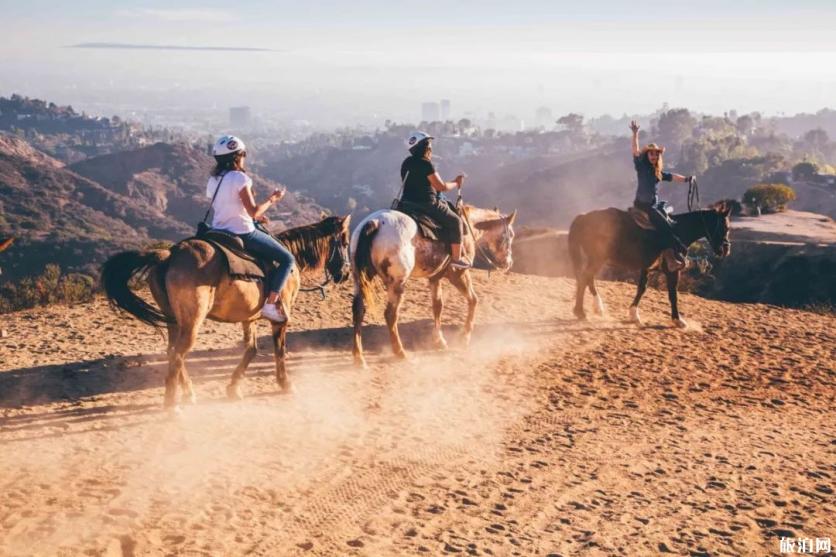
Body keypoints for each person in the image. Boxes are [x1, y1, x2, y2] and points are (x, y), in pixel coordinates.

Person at [207, 135, 295, 322]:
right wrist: (273, 199)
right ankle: (270, 305)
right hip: (242, 232)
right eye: (243, 154)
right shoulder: (240, 178)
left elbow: (227, 206)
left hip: (217, 231)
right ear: (238, 156)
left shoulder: (213, 180)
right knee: (287, 259)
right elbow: (254, 212)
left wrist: (252, 216)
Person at [400, 131, 471, 270]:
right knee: (456, 221)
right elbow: (441, 187)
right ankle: (457, 259)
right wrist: (456, 182)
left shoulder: (406, 162)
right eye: (429, 144)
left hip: (406, 203)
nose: (431, 147)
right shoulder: (426, 164)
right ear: (425, 147)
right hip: (427, 204)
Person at [629, 121, 694, 270]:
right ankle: (671, 261)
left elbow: (672, 176)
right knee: (665, 226)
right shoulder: (642, 166)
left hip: (654, 204)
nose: (653, 156)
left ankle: (668, 257)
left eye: (656, 154)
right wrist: (635, 134)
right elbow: (635, 150)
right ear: (647, 155)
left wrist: (687, 179)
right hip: (644, 206)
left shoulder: (658, 172)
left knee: (668, 223)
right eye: (651, 154)